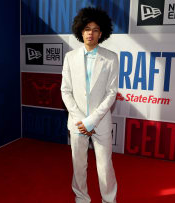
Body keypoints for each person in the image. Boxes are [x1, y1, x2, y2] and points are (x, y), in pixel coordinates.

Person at [61, 7, 118, 203]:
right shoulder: (70, 58)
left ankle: (109, 199)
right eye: (87, 29)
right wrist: (80, 120)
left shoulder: (111, 58)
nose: (90, 33)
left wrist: (92, 120)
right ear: (80, 31)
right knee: (79, 165)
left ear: (101, 33)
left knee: (104, 166)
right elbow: (65, 91)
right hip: (77, 123)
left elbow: (111, 93)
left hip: (100, 122)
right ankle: (81, 198)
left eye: (95, 29)